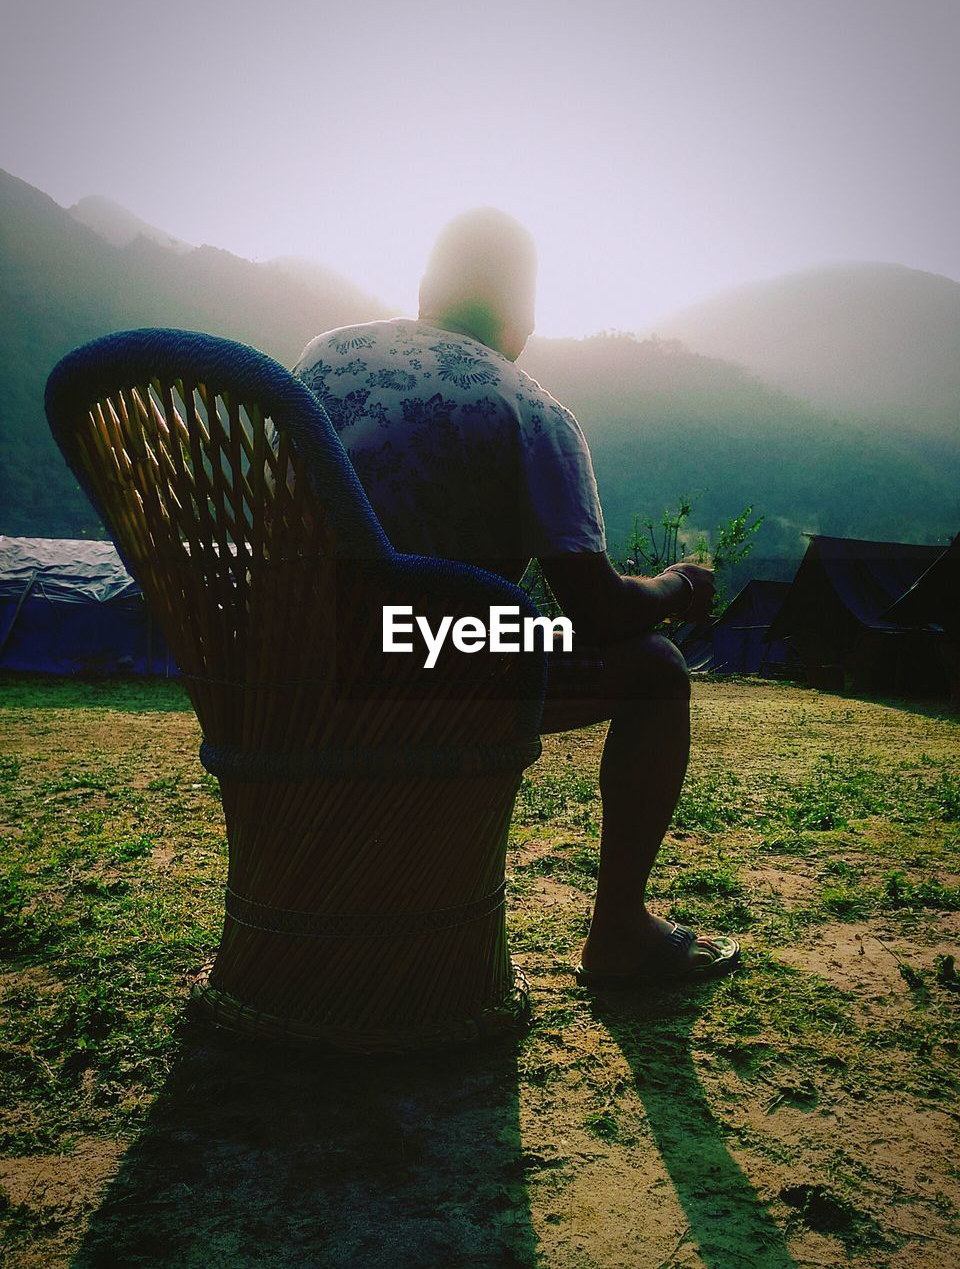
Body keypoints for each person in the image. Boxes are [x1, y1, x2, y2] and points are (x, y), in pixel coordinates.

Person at [293, 208, 739, 983]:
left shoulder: (324, 356)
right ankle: (620, 934)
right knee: (658, 673)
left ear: (427, 287)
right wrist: (674, 586)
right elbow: (594, 615)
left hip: (280, 663)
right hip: (413, 661)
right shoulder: (529, 409)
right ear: (526, 313)